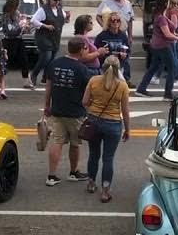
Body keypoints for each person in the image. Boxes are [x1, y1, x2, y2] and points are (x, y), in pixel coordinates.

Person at [81, 56, 131, 203]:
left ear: (103, 67)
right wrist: (127, 130)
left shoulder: (93, 80)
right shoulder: (122, 86)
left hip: (94, 122)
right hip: (113, 124)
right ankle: (105, 191)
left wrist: (93, 109)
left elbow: (84, 102)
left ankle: (91, 183)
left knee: (93, 154)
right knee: (108, 158)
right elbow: (125, 111)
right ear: (118, 69)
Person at [44, 37, 92, 186]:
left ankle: (51, 176)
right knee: (75, 143)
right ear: (81, 50)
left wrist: (47, 105)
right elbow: (87, 93)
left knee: (57, 142)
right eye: (86, 48)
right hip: (75, 111)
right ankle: (73, 172)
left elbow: (48, 87)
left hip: (57, 109)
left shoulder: (55, 64)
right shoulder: (82, 69)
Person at [137, 0, 178, 100]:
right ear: (165, 4)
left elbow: (170, 31)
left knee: (153, 67)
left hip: (156, 45)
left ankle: (141, 88)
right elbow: (167, 34)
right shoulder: (162, 18)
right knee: (171, 68)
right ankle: (168, 94)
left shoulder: (160, 15)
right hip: (163, 46)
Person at [29, 0, 66, 87]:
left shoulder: (60, 10)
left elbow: (63, 19)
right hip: (44, 38)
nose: (57, 2)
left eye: (58, 0)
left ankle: (45, 77)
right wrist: (45, 26)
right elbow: (33, 20)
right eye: (55, 0)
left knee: (52, 60)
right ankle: (33, 75)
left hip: (55, 38)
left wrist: (67, 18)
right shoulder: (43, 10)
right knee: (46, 57)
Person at [0, 0, 32, 89]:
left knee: (24, 60)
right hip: (9, 40)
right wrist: (21, 26)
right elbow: (10, 30)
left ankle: (26, 81)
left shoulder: (17, 13)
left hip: (18, 39)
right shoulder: (6, 15)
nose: (18, 7)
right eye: (17, 5)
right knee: (6, 61)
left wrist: (26, 27)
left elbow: (19, 27)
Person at [94, 12, 133, 83]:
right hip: (105, 65)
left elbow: (128, 51)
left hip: (119, 65)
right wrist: (100, 53)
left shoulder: (123, 36)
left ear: (120, 22)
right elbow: (95, 50)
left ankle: (127, 79)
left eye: (118, 20)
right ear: (109, 23)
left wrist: (125, 55)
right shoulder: (101, 36)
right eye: (113, 20)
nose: (115, 22)